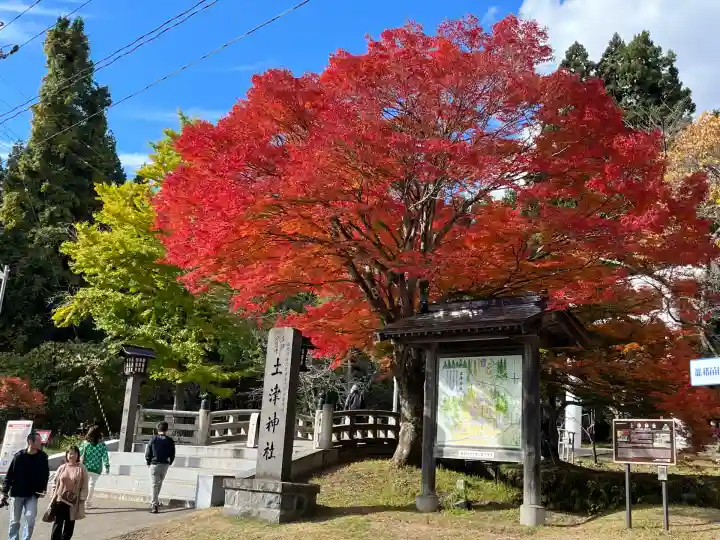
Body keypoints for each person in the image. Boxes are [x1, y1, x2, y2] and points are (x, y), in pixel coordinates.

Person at [1, 432, 50, 540]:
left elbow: (46, 474)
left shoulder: (43, 457)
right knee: (15, 521)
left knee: (30, 519)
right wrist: (4, 492)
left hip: (32, 494)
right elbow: (10, 475)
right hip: (17, 493)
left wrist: (44, 488)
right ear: (30, 442)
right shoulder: (19, 457)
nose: (40, 443)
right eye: (38, 441)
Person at [48, 446, 88, 540]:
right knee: (58, 523)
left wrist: (82, 498)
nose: (71, 455)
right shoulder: (62, 467)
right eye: (69, 453)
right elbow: (55, 482)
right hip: (60, 499)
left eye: (74, 453)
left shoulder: (82, 468)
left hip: (73, 501)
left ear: (78, 455)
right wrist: (53, 494)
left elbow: (85, 484)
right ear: (66, 455)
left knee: (69, 524)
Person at [144, 422, 175, 514]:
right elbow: (172, 453)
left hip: (154, 464)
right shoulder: (170, 440)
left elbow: (148, 451)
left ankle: (154, 504)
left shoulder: (153, 439)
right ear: (166, 430)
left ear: (158, 430)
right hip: (165, 464)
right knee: (159, 483)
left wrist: (148, 461)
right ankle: (155, 501)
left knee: (154, 484)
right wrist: (170, 462)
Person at [79, 425, 110, 510]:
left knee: (84, 484)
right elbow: (105, 456)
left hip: (85, 466)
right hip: (96, 468)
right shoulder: (102, 445)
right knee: (92, 485)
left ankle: (81, 500)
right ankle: (87, 502)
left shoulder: (85, 443)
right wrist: (107, 466)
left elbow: (80, 453)